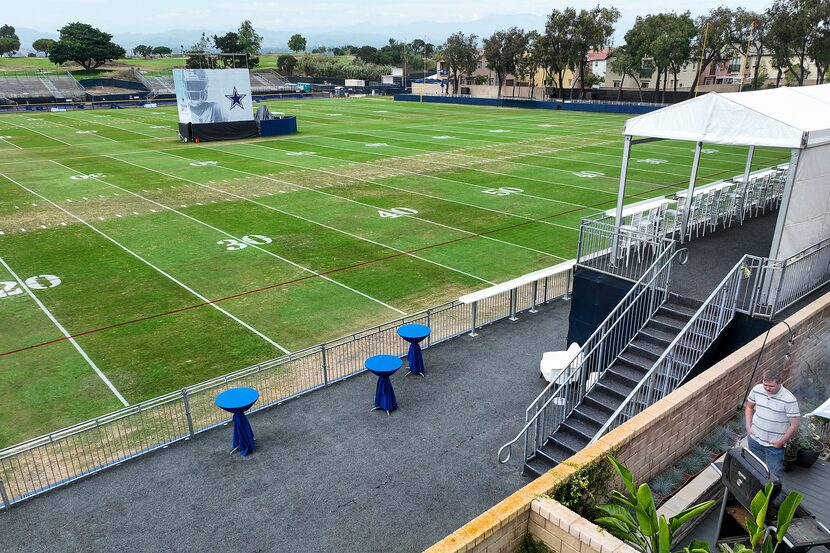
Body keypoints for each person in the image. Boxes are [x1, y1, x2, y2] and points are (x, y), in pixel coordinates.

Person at [745, 369, 800, 477]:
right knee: (755, 469)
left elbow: (795, 425)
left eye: (771, 386)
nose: (767, 388)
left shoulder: (789, 400)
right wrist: (748, 426)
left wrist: (781, 442)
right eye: (765, 385)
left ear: (780, 383)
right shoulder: (757, 389)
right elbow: (749, 407)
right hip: (754, 440)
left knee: (772, 475)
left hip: (774, 446)